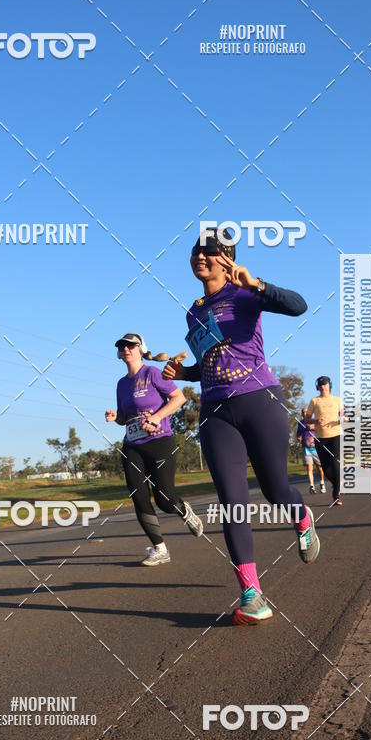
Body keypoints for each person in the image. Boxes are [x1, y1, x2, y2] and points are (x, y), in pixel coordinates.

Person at [163, 229, 317, 626]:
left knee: (275, 490)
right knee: (232, 502)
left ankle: (301, 516)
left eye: (210, 251)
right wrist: (184, 373)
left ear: (227, 258)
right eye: (196, 251)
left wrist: (258, 284)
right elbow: (209, 361)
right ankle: (252, 594)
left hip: (259, 400)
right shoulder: (194, 311)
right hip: (215, 411)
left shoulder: (245, 292)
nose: (201, 256)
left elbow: (299, 306)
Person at [105, 332, 203, 566]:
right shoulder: (121, 384)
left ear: (141, 349)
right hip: (132, 446)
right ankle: (160, 548)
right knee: (138, 497)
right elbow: (125, 417)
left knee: (164, 499)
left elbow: (178, 398)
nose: (126, 349)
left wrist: (157, 417)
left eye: (131, 345)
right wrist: (116, 417)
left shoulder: (152, 373)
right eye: (122, 346)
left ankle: (184, 510)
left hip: (160, 442)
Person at [306, 377, 343, 506]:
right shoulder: (314, 401)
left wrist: (344, 418)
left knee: (335, 462)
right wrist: (316, 421)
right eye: (320, 384)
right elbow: (307, 419)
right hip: (320, 438)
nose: (323, 386)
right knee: (325, 467)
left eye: (325, 384)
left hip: (336, 435)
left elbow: (343, 415)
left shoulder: (337, 400)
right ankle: (337, 483)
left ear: (329, 385)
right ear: (318, 387)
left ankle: (336, 494)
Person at [297, 407, 326, 494]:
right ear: (302, 414)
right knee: (309, 468)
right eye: (303, 412)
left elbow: (322, 429)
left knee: (320, 467)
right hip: (306, 448)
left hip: (316, 448)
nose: (305, 413)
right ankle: (312, 486)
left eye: (306, 412)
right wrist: (299, 437)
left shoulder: (314, 421)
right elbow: (298, 434)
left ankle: (322, 483)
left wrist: (312, 426)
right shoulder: (300, 423)